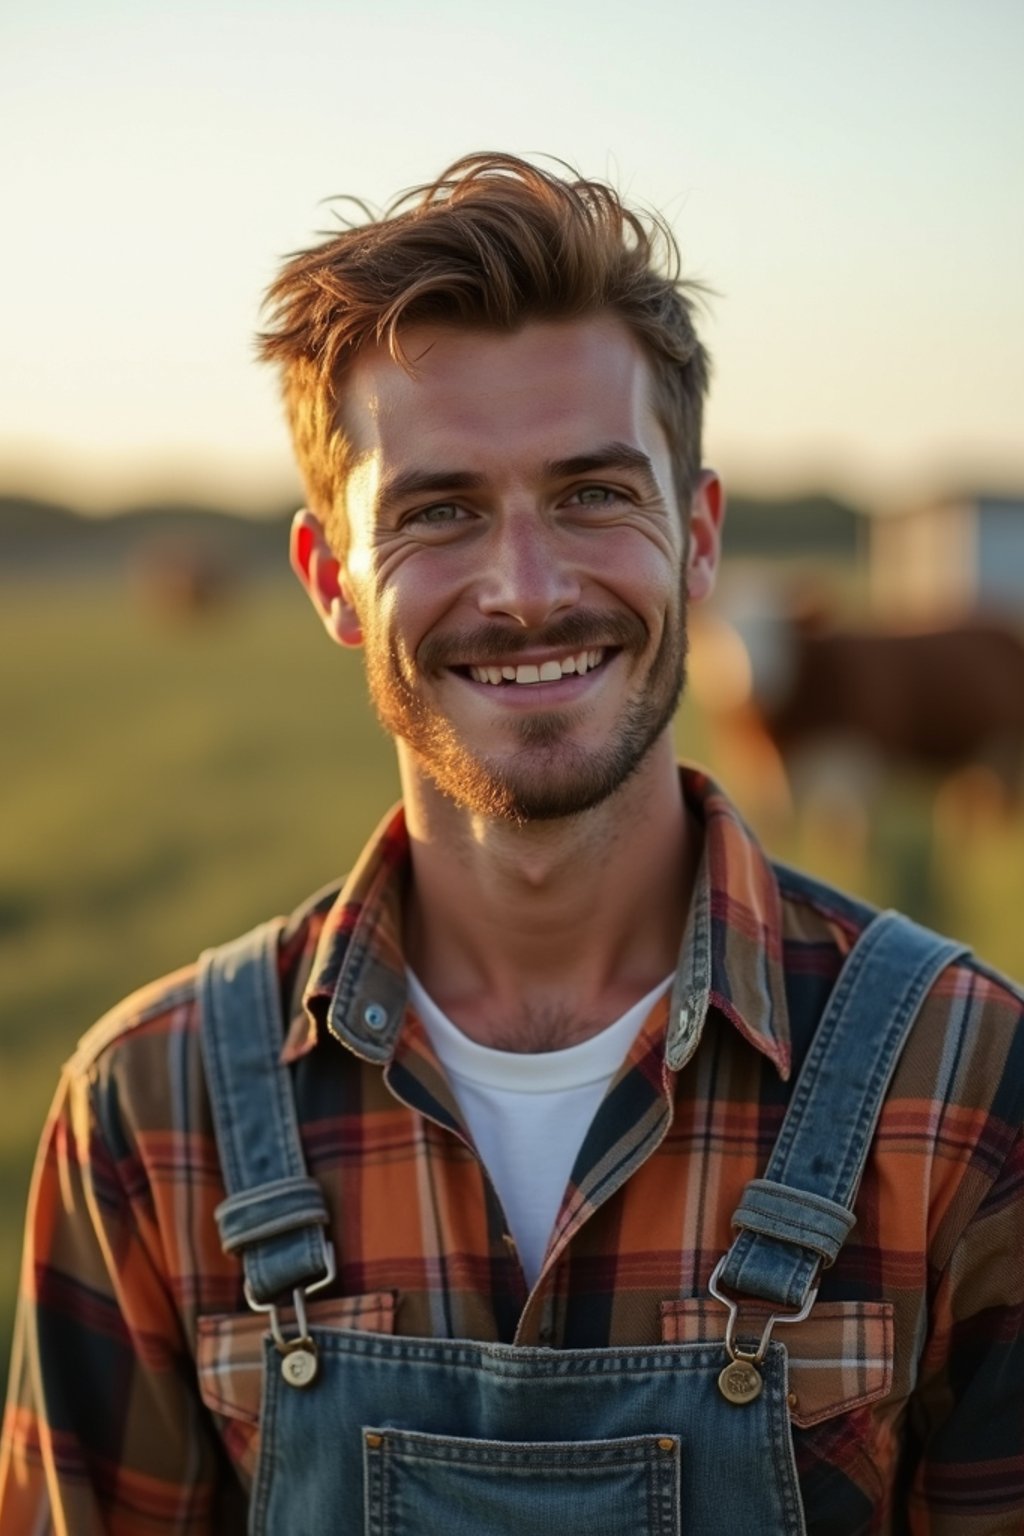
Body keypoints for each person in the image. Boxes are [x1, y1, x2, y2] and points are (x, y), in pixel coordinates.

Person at [1, 153, 1022, 1536]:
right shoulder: (149, 1111)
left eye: (596, 495)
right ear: (331, 582)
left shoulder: (968, 1078)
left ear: (698, 539)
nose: (529, 592)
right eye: (438, 512)